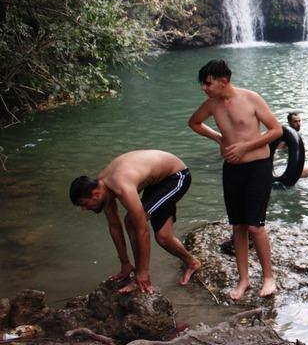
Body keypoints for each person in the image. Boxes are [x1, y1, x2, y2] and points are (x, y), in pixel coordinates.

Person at [188, 59, 282, 299]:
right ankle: (244, 280)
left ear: (223, 81)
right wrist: (219, 138)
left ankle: (268, 278)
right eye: (203, 84)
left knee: (254, 226)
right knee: (238, 226)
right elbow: (194, 123)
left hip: (258, 167)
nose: (204, 88)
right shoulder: (212, 104)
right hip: (232, 169)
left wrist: (244, 147)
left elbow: (276, 130)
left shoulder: (251, 98)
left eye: (208, 84)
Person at [69, 150, 201, 294]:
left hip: (176, 176)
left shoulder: (122, 186)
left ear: (95, 194)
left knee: (132, 222)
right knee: (163, 238)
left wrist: (142, 273)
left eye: (84, 204)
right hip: (157, 180)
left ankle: (140, 277)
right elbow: (114, 226)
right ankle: (192, 263)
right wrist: (125, 263)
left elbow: (142, 230)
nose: (84, 209)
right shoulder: (103, 187)